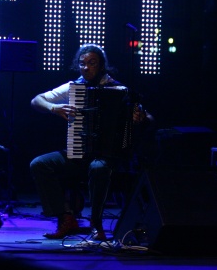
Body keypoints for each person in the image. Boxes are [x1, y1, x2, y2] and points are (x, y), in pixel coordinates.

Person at [29, 43, 152, 241]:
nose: (86, 68)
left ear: (102, 65)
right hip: (79, 153)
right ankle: (66, 218)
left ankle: (96, 223)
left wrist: (141, 117)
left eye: (91, 63)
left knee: (98, 168)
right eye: (82, 63)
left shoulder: (118, 89)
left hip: (108, 156)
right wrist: (54, 108)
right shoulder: (73, 87)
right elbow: (37, 100)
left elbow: (149, 118)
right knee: (40, 164)